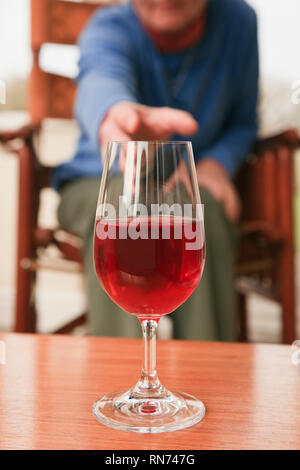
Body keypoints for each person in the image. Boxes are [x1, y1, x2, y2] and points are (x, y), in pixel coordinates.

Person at [53, 0, 259, 340]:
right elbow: (99, 80)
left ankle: (205, 381)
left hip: (187, 183)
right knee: (121, 205)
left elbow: (243, 121)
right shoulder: (108, 25)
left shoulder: (240, 22)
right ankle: (121, 377)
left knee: (198, 208)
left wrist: (216, 165)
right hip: (98, 179)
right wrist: (114, 116)